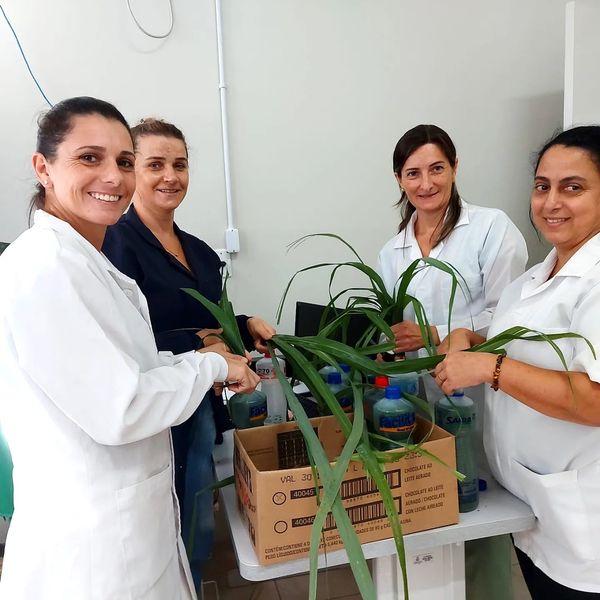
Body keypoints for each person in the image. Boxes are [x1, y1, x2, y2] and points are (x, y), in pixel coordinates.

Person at [0, 96, 259, 600]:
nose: (113, 177)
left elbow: (134, 367)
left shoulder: (91, 259)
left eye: (122, 161)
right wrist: (206, 364)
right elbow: (123, 405)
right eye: (89, 158)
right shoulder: (44, 268)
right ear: (43, 167)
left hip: (132, 516)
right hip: (93, 546)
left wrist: (221, 354)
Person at [102, 117, 275, 587]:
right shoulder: (115, 245)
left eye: (179, 164)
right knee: (163, 533)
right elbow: (126, 339)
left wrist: (244, 326)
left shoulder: (200, 252)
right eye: (155, 164)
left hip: (200, 403)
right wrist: (198, 344)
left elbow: (212, 323)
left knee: (198, 523)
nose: (170, 176)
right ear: (133, 169)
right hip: (156, 412)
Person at [434, 125, 600, 599]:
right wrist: (470, 336)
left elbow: (595, 400)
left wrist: (490, 368)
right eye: (542, 186)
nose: (551, 202)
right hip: (534, 508)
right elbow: (521, 337)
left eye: (573, 187)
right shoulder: (538, 275)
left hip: (583, 524)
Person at [377, 124, 528, 600]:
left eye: (437, 169)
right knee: (433, 505)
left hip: (483, 395)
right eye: (413, 173)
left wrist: (438, 333)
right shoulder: (392, 251)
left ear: (456, 167)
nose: (426, 184)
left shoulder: (490, 228)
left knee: (484, 510)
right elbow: (398, 325)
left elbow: (512, 316)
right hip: (419, 399)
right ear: (399, 180)